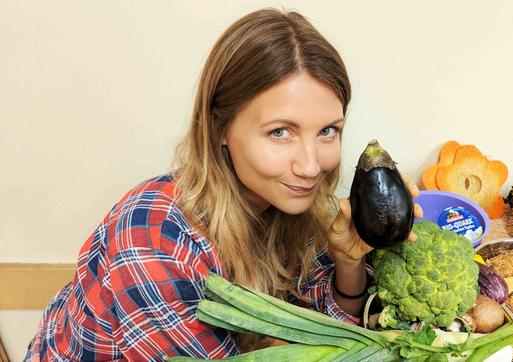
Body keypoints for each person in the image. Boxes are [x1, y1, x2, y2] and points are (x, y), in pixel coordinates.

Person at [25, 8, 422, 361]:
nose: (311, 165)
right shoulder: (155, 244)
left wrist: (348, 260)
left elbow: (320, 335)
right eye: (280, 131)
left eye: (328, 131)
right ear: (220, 128)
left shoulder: (292, 204)